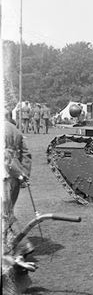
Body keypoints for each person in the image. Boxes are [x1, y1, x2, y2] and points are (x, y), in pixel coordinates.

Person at [3, 110, 34, 270]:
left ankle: (22, 247)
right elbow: (27, 155)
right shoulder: (16, 130)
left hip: (6, 174)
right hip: (16, 176)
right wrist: (24, 175)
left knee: (5, 214)